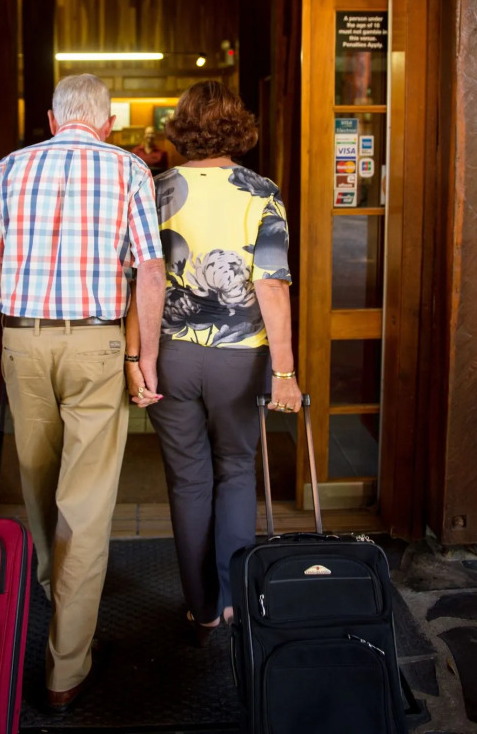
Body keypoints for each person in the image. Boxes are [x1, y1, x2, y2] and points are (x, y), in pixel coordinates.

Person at [0, 74, 165, 711]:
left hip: (24, 343)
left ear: (53, 120)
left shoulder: (11, 167)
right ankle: (66, 667)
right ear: (106, 123)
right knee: (85, 501)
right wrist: (145, 359)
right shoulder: (129, 169)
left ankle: (58, 602)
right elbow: (150, 271)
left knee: (37, 479)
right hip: (97, 346)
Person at [125, 80, 302, 641]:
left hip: (170, 354)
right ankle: (234, 601)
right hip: (239, 360)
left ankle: (201, 606)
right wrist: (285, 373)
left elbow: (139, 280)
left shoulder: (155, 189)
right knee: (235, 472)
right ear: (239, 127)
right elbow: (272, 287)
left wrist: (136, 357)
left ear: (182, 128)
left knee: (187, 480)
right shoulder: (261, 192)